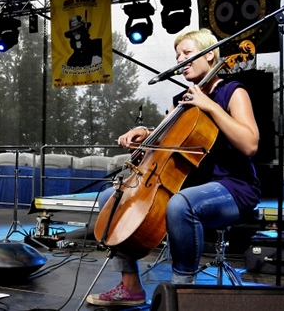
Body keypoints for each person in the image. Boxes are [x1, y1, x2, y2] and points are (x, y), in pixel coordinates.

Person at [86, 28, 261, 307]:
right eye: (177, 56)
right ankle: (130, 287)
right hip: (188, 185)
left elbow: (250, 144)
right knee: (112, 198)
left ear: (211, 54)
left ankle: (182, 294)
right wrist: (146, 132)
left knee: (181, 205)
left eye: (188, 53)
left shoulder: (232, 91)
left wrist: (211, 107)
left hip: (233, 186)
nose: (181, 60)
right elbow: (172, 137)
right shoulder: (182, 100)